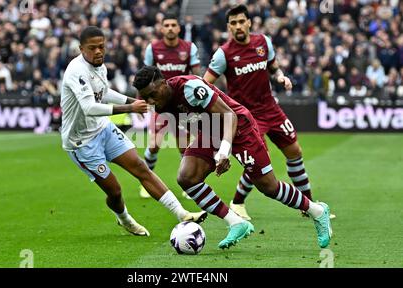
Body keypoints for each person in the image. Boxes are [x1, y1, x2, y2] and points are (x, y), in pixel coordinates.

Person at [133, 66, 332, 249]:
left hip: (239, 127)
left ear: (163, 83)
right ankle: (236, 223)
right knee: (187, 177)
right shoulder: (159, 103)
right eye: (145, 97)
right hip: (211, 132)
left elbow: (229, 115)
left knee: (268, 187)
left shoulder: (190, 88)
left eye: (152, 94)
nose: (150, 101)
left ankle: (317, 211)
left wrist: (224, 150)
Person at [60, 26, 207, 237]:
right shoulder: (76, 72)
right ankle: (125, 219)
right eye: (92, 48)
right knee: (115, 190)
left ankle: (182, 214)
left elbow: (104, 92)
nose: (98, 51)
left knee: (141, 167)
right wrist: (131, 108)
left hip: (103, 130)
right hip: (80, 142)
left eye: (101, 46)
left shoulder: (99, 66)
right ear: (81, 48)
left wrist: (132, 101)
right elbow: (89, 108)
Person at [203, 4, 335, 220]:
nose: (238, 26)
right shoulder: (223, 54)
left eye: (241, 21)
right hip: (247, 116)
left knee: (295, 151)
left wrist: (281, 77)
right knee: (257, 161)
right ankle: (237, 202)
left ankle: (308, 205)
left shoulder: (263, 43)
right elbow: (206, 85)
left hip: (271, 108)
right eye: (233, 23)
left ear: (249, 23)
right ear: (228, 27)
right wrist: (222, 110)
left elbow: (274, 68)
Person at [140, 13, 201, 199]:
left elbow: (197, 76)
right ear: (161, 28)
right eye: (166, 25)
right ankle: (146, 182)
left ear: (179, 28)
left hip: (182, 106)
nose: (170, 28)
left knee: (184, 147)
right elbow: (144, 76)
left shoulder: (189, 48)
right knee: (154, 145)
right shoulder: (153, 48)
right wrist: (143, 100)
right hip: (160, 106)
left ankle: (188, 184)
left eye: (173, 25)